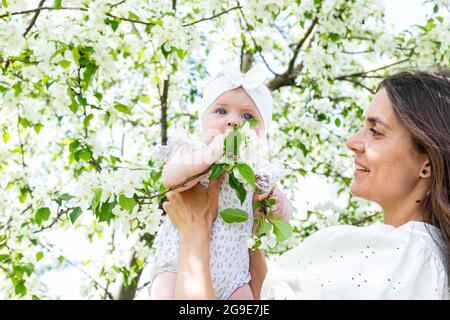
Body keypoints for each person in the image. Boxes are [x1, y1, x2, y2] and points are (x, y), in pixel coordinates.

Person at [162, 68, 450, 299]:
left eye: (375, 131)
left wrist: (195, 229)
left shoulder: (401, 255)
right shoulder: (418, 257)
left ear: (427, 162)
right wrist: (248, 236)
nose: (352, 141)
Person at [147, 63, 293, 300]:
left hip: (235, 278)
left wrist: (278, 205)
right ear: (203, 119)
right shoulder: (193, 150)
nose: (233, 121)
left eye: (247, 116)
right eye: (221, 111)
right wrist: (209, 155)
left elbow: (283, 213)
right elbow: (171, 179)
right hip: (178, 265)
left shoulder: (255, 168)